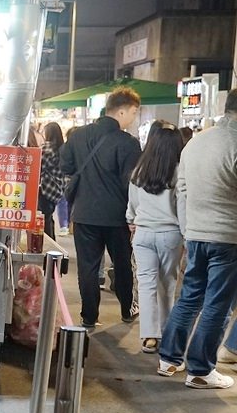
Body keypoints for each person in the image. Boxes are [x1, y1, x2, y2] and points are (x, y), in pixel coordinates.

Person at [158, 90, 237, 389]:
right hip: (228, 236)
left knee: (190, 296)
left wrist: (188, 230)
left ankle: (169, 358)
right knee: (218, 303)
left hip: (196, 233)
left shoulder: (196, 143)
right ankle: (201, 369)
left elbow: (183, 191)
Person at [60, 88, 142, 330]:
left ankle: (88, 316)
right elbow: (132, 183)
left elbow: (66, 166)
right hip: (117, 216)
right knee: (122, 263)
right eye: (134, 113)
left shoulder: (78, 136)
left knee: (87, 266)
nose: (134, 118)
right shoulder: (128, 143)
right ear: (122, 110)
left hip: (84, 213)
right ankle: (127, 308)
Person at [126, 120, 184, 355]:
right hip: (170, 234)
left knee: (146, 284)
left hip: (143, 233)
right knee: (167, 284)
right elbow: (183, 206)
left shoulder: (140, 170)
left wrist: (131, 220)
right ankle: (166, 332)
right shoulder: (180, 171)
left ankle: (150, 336)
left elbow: (133, 205)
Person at [38, 122, 67, 240]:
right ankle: (53, 243)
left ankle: (48, 244)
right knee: (49, 217)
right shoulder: (63, 148)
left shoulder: (46, 148)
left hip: (45, 188)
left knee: (44, 219)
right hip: (57, 188)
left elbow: (38, 166)